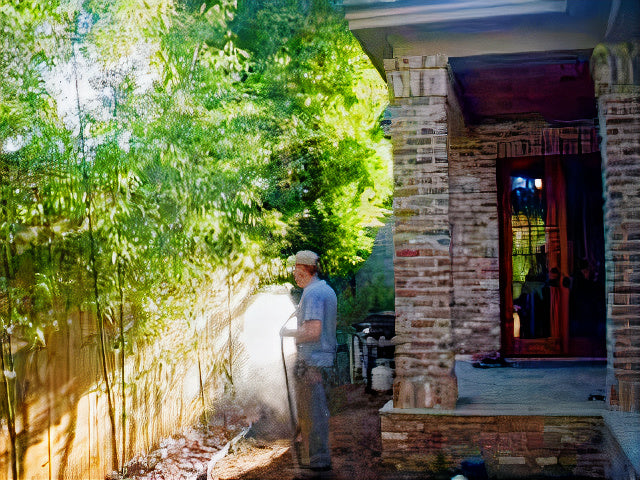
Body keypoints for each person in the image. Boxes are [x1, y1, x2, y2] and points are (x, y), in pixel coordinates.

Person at [280, 250, 337, 474]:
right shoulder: (325, 290)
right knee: (317, 413)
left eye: (296, 268)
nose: (294, 273)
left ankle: (318, 464)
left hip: (311, 363)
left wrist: (287, 333)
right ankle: (318, 460)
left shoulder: (313, 294)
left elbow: (313, 331)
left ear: (306, 269)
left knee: (313, 415)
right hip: (322, 361)